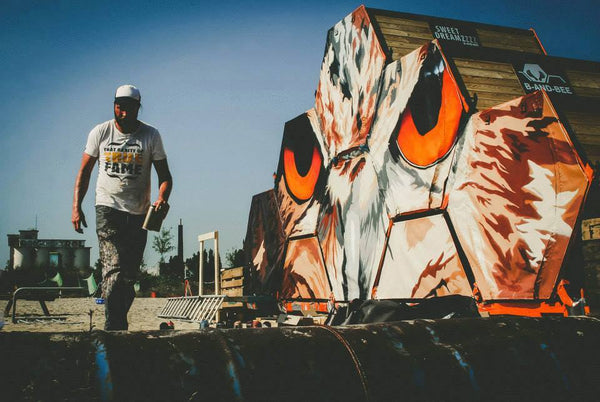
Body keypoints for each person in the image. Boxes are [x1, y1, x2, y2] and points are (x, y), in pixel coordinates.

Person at [72, 84, 172, 330]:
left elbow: (165, 177)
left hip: (139, 214)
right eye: (119, 107)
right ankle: (113, 327)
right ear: (114, 106)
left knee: (128, 277)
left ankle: (118, 323)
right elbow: (85, 171)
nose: (123, 113)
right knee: (113, 270)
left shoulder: (151, 136)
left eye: (129, 108)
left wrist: (162, 198)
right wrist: (76, 206)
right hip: (108, 209)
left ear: (138, 108)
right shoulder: (100, 133)